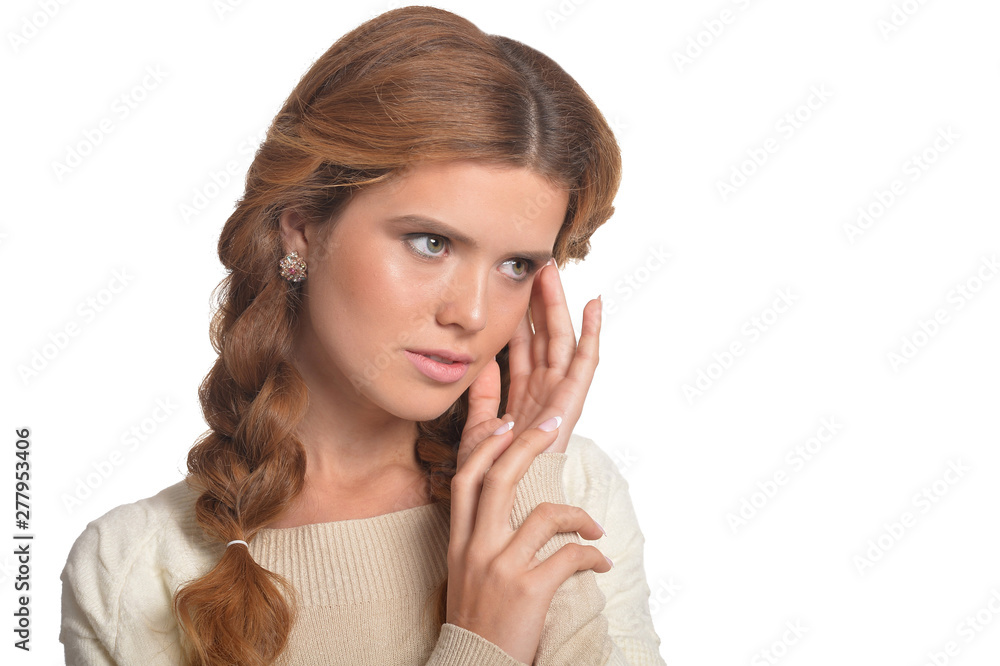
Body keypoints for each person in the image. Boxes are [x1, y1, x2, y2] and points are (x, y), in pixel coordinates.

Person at [59, 6, 666, 665]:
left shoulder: (571, 486)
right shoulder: (134, 569)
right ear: (301, 228)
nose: (471, 312)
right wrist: (483, 645)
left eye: (515, 265)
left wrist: (522, 490)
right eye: (430, 243)